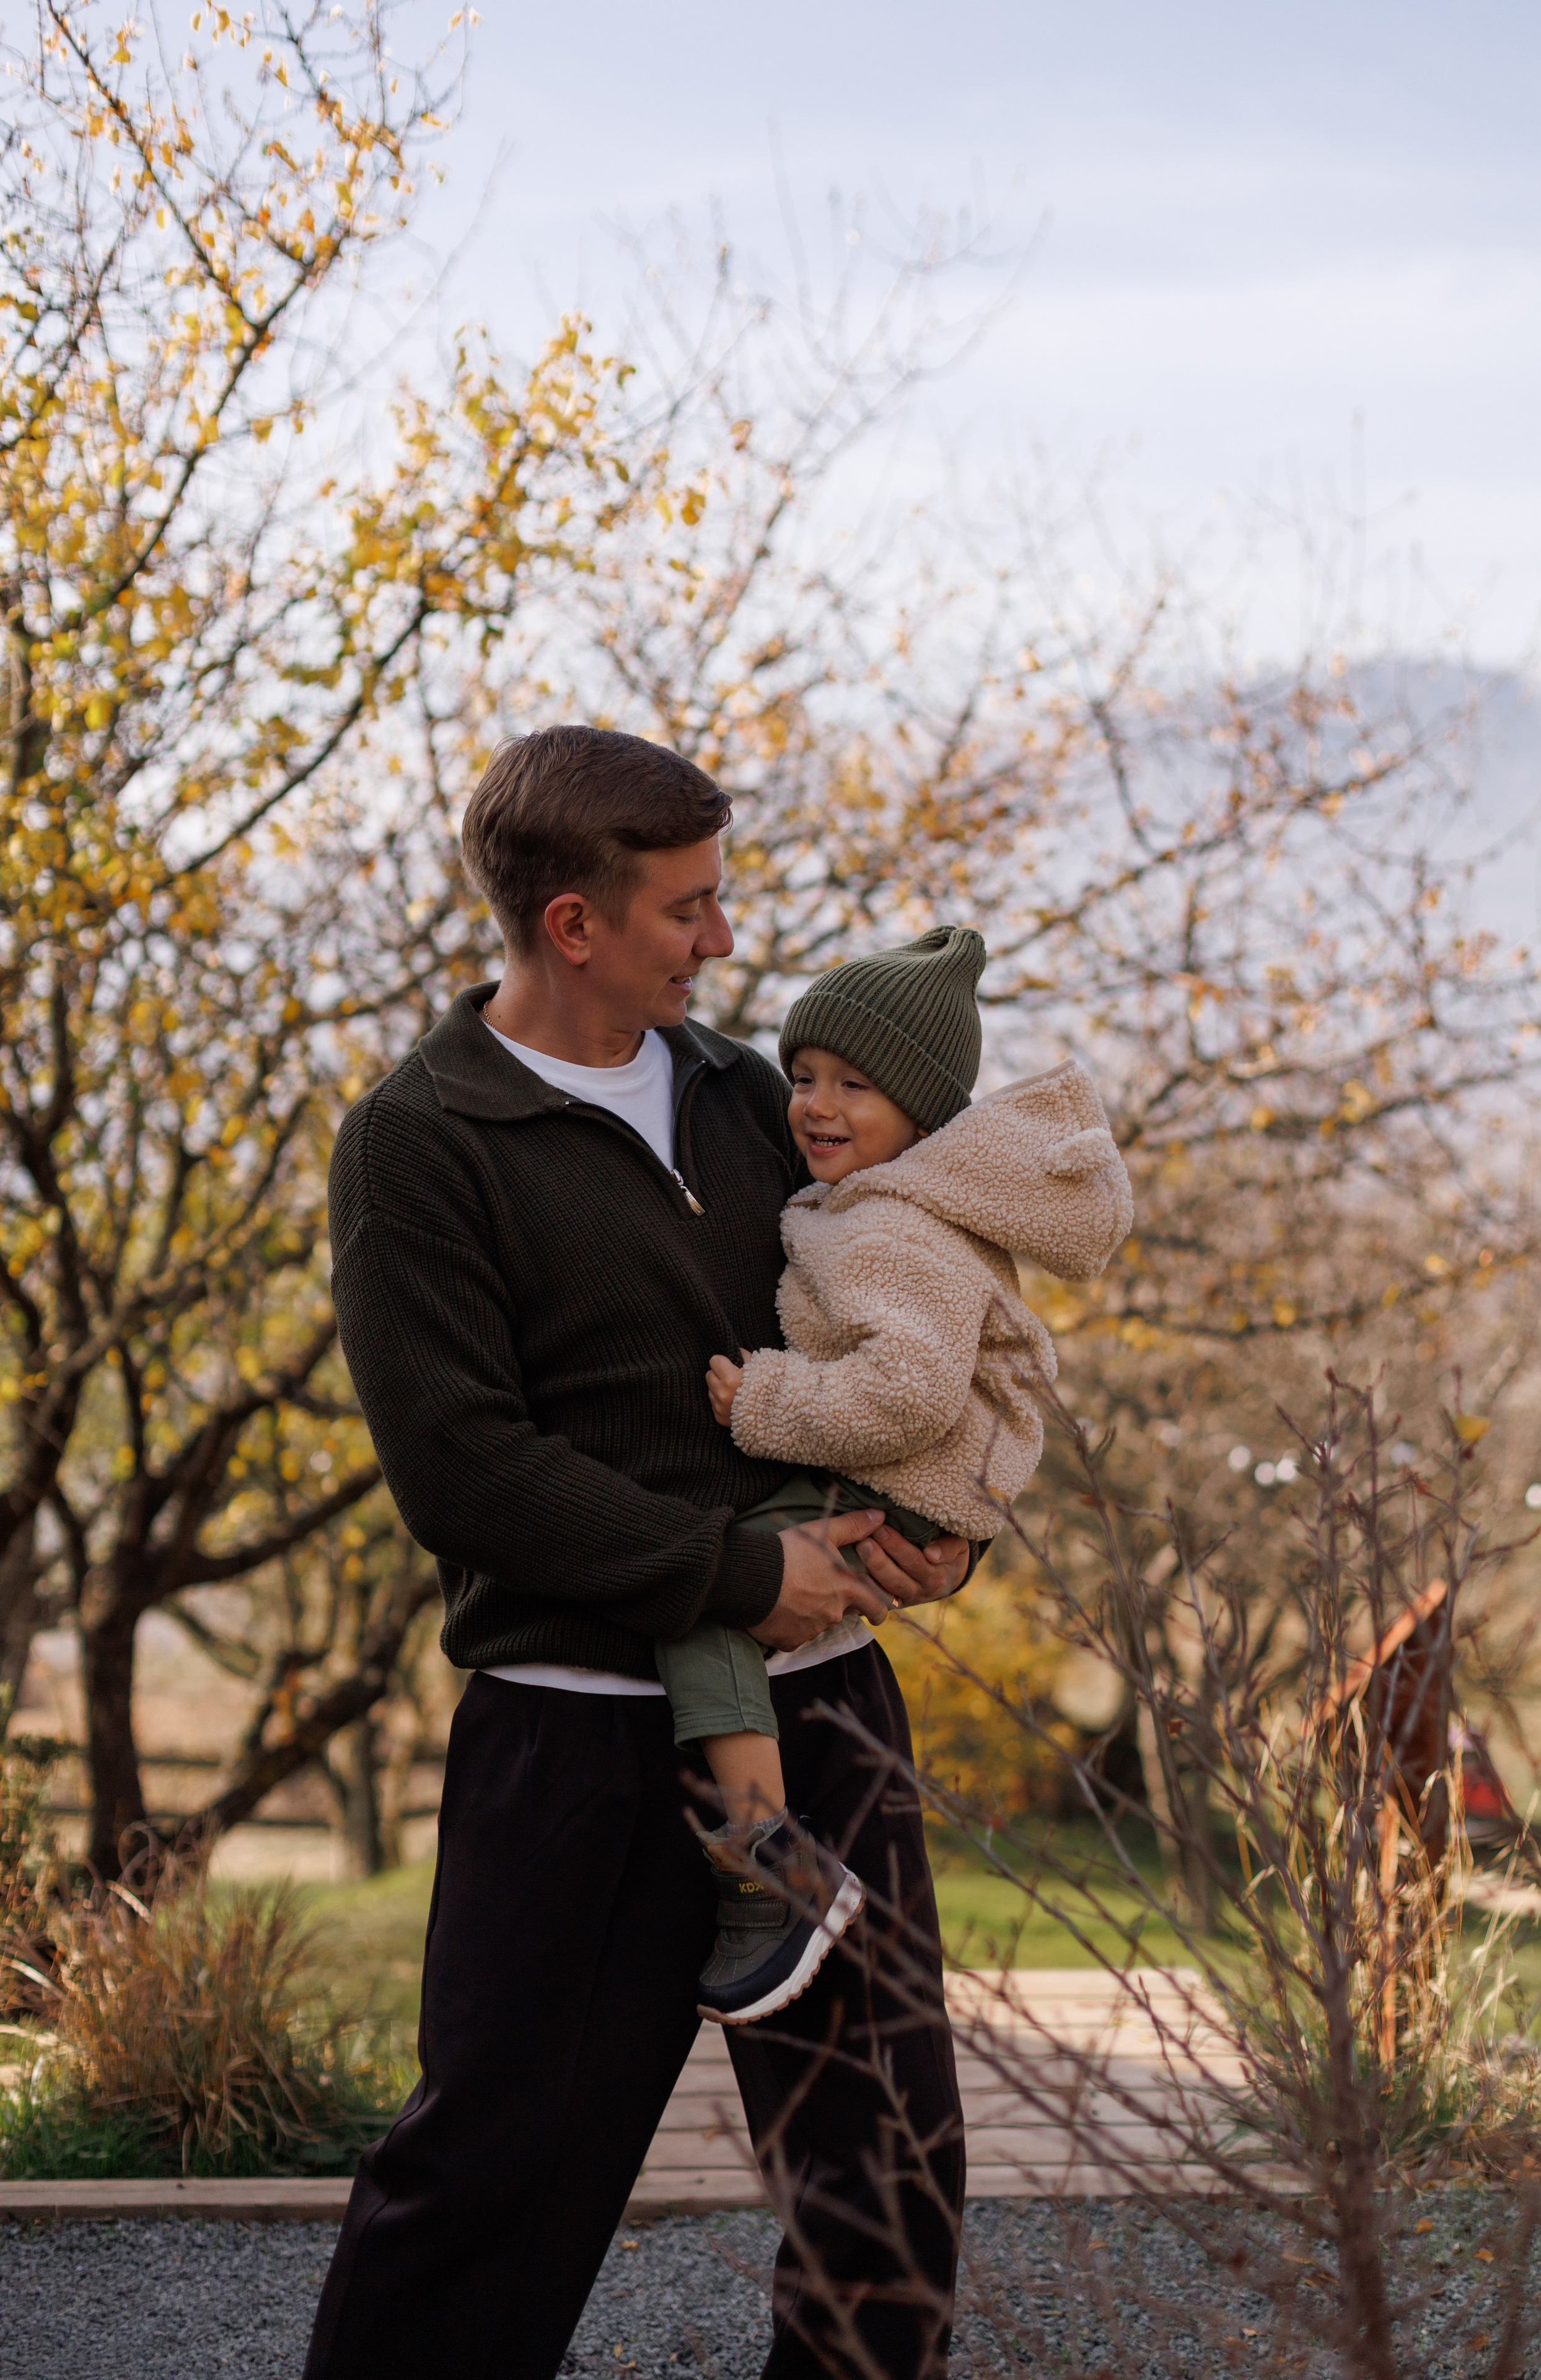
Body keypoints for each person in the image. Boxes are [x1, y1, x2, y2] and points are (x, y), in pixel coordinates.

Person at [302, 725, 972, 2380]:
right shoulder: (420, 1143)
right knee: (490, 2191)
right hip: (576, 1742)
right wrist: (735, 1577)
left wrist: (947, 1525)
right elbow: (463, 1469)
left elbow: (918, 1312)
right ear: (572, 925)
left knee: (888, 2188)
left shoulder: (762, 1100)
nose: (726, 939)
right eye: (689, 910)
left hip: (825, 1716)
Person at [666, 927, 1133, 2030]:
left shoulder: (885, 1226)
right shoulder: (884, 1205)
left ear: (921, 1114)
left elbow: (912, 1391)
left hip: (896, 1473)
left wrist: (767, 1401)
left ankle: (766, 1871)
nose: (818, 1106)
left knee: (707, 1606)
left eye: (856, 1087)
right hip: (913, 1480)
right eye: (809, 1077)